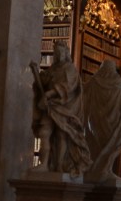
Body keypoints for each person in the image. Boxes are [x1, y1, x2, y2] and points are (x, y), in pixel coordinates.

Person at [30, 43, 92, 177]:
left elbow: (68, 86)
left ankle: (59, 164)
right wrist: (38, 76)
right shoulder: (53, 68)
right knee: (44, 132)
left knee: (61, 134)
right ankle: (44, 164)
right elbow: (44, 81)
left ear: (65, 53)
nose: (56, 54)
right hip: (49, 106)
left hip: (63, 106)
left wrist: (50, 93)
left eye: (59, 52)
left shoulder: (70, 69)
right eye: (55, 52)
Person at [82, 60, 121, 183]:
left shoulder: (94, 81)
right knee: (111, 146)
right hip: (113, 124)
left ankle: (95, 170)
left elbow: (81, 91)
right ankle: (105, 170)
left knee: (95, 145)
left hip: (94, 123)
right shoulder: (119, 83)